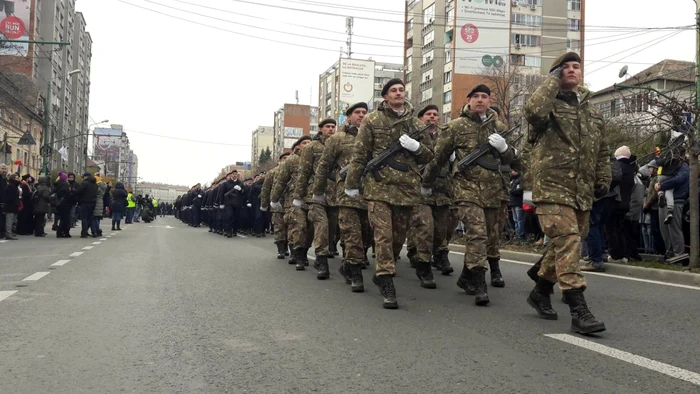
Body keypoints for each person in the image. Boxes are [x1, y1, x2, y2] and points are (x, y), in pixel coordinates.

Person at [522, 52, 610, 334]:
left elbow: (602, 149)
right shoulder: (548, 106)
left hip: (581, 190)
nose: (571, 70)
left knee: (566, 243)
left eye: (576, 66)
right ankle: (578, 309)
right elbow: (533, 111)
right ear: (556, 73)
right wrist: (551, 81)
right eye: (565, 67)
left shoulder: (591, 111)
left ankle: (541, 289)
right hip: (552, 186)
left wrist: (603, 177)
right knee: (569, 240)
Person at [345, 78, 434, 309]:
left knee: (398, 238)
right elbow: (360, 153)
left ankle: (385, 268)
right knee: (383, 236)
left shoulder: (416, 124)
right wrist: (352, 183)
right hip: (379, 187)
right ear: (385, 96)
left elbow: (429, 157)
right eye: (393, 90)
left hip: (407, 189)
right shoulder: (373, 119)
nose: (398, 93)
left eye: (401, 90)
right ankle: (386, 279)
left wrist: (416, 147)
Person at [423, 84, 515, 306]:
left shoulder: (500, 127)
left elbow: (514, 159)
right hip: (466, 188)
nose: (481, 100)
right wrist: (426, 183)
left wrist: (504, 149)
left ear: (490, 101)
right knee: (477, 233)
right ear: (469, 100)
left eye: (485, 97)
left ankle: (466, 276)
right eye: (476, 97)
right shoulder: (455, 127)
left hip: (494, 190)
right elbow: (438, 158)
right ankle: (479, 281)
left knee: (490, 236)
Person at [313, 103, 373, 291]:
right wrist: (319, 191)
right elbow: (324, 167)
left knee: (367, 235)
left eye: (364, 112)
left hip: (371, 193)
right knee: (352, 234)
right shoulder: (337, 139)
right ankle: (355, 274)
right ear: (348, 117)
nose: (362, 115)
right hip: (346, 194)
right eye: (357, 112)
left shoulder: (374, 137)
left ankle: (348, 265)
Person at [293, 118, 336, 279]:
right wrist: (298, 196)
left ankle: (305, 252)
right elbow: (303, 173)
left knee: (331, 230)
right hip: (314, 194)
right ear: (320, 128)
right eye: (327, 127)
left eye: (333, 127)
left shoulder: (338, 143)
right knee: (320, 227)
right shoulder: (311, 148)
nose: (331, 129)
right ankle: (321, 259)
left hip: (334, 194)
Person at [271, 136, 313, 268]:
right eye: (304, 143)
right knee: (298, 226)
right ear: (298, 146)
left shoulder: (316, 157)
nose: (307, 145)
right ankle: (298, 254)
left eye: (309, 143)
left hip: (312, 199)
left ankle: (304, 252)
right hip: (294, 199)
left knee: (310, 229)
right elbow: (281, 181)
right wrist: (274, 199)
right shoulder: (292, 160)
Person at [261, 152, 290, 259]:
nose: (286, 160)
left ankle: (287, 246)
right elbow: (265, 189)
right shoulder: (272, 172)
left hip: (290, 203)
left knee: (290, 227)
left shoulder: (294, 171)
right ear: (279, 161)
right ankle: (280, 249)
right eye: (284, 158)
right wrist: (264, 204)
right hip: (277, 203)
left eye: (288, 158)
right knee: (279, 227)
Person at [75, 172, 98, 238]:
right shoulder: (95, 184)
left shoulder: (85, 183)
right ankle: (94, 232)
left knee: (84, 218)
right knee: (91, 218)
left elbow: (79, 191)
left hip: (85, 202)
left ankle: (84, 233)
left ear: (86, 177)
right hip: (93, 202)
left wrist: (73, 190)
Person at [54, 172, 72, 238]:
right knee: (65, 219)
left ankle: (61, 232)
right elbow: (67, 194)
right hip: (65, 203)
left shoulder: (58, 183)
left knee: (63, 218)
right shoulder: (65, 185)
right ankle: (62, 232)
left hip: (59, 203)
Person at [3, 173, 21, 240]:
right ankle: (8, 234)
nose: (18, 179)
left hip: (14, 205)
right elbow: (9, 197)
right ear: (13, 179)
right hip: (10, 206)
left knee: (13, 220)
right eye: (16, 178)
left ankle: (11, 233)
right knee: (9, 220)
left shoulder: (15, 186)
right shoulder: (10, 186)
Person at [0, 163, 7, 238]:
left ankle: (2, 232)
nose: (4, 170)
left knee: (2, 218)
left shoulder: (4, 179)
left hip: (3, 202)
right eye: (2, 169)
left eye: (5, 169)